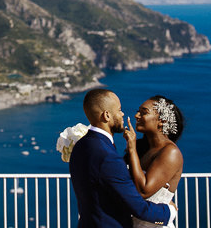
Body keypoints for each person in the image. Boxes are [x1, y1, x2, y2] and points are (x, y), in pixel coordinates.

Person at [69, 88, 175, 228]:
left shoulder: (80, 146)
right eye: (119, 110)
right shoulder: (107, 156)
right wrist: (169, 211)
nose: (122, 114)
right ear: (106, 115)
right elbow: (139, 208)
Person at [123, 96, 185, 228]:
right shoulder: (143, 149)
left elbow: (144, 191)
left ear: (162, 121)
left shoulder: (170, 152)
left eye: (144, 112)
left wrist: (132, 149)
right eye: (138, 111)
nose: (136, 115)